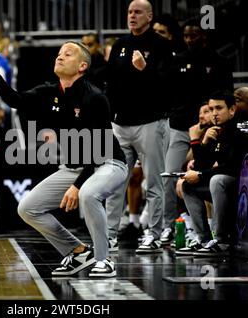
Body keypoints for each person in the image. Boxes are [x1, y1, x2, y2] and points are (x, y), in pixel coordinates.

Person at [0, 41, 128, 277]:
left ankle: (104, 259)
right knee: (28, 208)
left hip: (108, 163)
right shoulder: (48, 92)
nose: (60, 57)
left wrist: (77, 185)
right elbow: (15, 100)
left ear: (82, 66)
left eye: (68, 54)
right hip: (74, 167)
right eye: (59, 53)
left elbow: (99, 151)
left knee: (88, 194)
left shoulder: (95, 98)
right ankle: (78, 251)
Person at [105, 0, 173, 253]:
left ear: (149, 16)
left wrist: (146, 71)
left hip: (151, 122)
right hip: (120, 124)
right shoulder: (120, 45)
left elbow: (168, 84)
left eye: (137, 12)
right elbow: (110, 82)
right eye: (129, 12)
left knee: (153, 182)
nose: (132, 16)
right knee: (113, 183)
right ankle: (109, 234)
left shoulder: (162, 46)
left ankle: (153, 234)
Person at [161, 20, 233, 245]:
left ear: (204, 36)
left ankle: (210, 231)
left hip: (209, 126)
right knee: (171, 175)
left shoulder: (218, 61)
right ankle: (169, 226)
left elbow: (226, 94)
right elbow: (168, 90)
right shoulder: (177, 60)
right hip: (182, 126)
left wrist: (210, 117)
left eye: (195, 35)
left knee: (206, 174)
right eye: (186, 36)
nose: (190, 40)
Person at [177, 91, 240, 256]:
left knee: (216, 180)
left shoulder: (237, 131)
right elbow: (200, 165)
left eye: (218, 108)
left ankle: (221, 240)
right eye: (211, 109)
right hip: (220, 185)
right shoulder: (215, 132)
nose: (214, 113)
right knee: (187, 185)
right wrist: (201, 143)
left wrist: (201, 175)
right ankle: (203, 239)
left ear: (232, 110)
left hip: (240, 186)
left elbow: (232, 167)